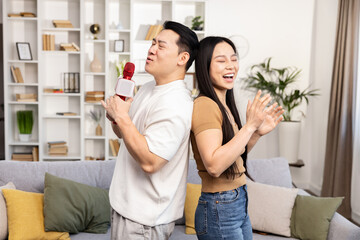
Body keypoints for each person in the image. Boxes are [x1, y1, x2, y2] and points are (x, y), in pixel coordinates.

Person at [101, 21, 199, 240]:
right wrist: (116, 118)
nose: (151, 49)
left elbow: (150, 161)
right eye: (153, 43)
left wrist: (123, 116)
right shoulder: (148, 88)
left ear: (182, 59)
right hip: (124, 208)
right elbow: (127, 137)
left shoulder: (176, 103)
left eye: (161, 46)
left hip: (144, 221)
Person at [191, 36, 284, 240]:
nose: (231, 66)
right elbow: (215, 166)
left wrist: (256, 132)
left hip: (236, 200)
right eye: (221, 60)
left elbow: (232, 156)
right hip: (220, 205)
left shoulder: (223, 104)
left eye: (234, 59)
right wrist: (249, 126)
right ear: (204, 66)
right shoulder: (205, 105)